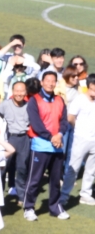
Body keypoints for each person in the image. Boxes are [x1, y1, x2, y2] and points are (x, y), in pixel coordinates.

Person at [23, 69, 68, 221]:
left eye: (53, 81)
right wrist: (51, 137)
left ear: (56, 83)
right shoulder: (34, 100)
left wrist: (59, 135)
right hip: (40, 146)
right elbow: (36, 124)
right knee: (34, 179)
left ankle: (55, 207)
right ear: (42, 82)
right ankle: (29, 207)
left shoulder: (60, 100)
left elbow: (64, 122)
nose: (50, 83)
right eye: (47, 80)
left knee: (55, 181)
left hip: (57, 146)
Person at [60, 77, 95, 207]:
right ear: (91, 85)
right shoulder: (80, 99)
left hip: (94, 140)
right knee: (73, 168)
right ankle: (64, 196)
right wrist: (79, 129)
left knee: (91, 169)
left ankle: (86, 194)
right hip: (81, 138)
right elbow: (70, 117)